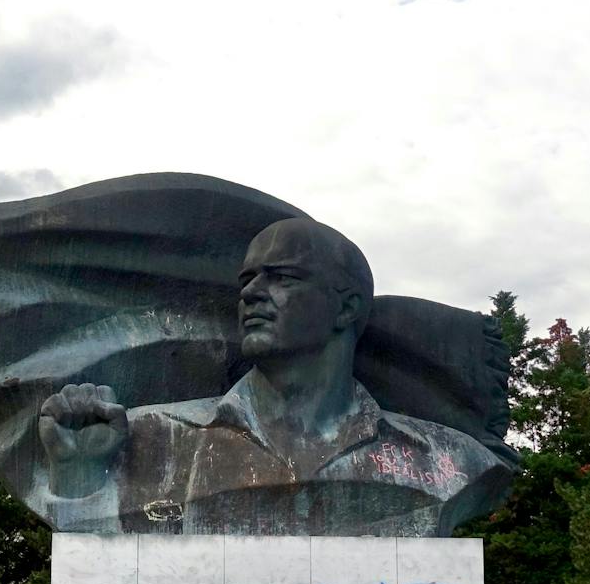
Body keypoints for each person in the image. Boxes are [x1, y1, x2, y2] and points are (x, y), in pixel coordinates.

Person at [35, 217, 512, 536]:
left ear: (346, 307)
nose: (252, 294)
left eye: (282, 278)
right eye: (248, 280)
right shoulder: (145, 439)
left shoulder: (449, 460)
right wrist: (79, 476)